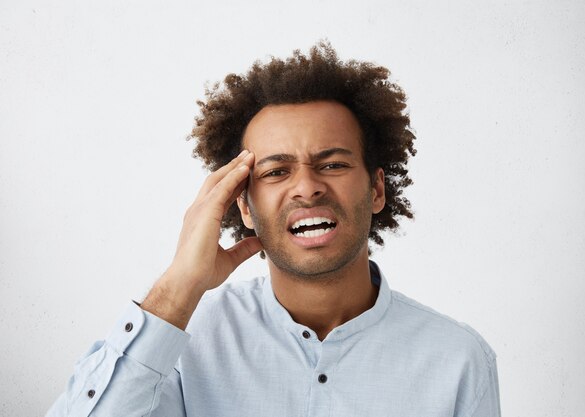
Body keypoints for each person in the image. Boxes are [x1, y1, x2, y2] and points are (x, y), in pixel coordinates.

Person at [47, 42, 500, 417]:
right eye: (276, 172)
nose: (306, 187)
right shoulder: (186, 343)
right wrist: (180, 285)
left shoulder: (458, 359)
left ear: (377, 190)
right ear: (242, 204)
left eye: (333, 164)